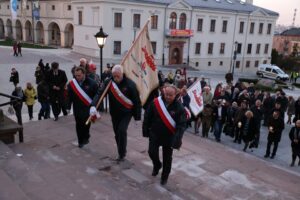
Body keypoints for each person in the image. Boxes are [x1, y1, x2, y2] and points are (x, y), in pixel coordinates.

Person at [92, 64, 141, 161]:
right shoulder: (109, 82)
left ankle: (121, 153)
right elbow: (100, 93)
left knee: (122, 131)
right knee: (117, 133)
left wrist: (137, 118)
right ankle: (121, 149)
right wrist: (93, 105)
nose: (116, 78)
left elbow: (136, 101)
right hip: (114, 112)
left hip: (126, 113)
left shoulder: (130, 84)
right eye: (114, 76)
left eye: (118, 76)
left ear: (122, 74)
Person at [143, 85, 186, 185]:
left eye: (170, 95)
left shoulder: (179, 107)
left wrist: (177, 140)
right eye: (166, 94)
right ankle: (157, 165)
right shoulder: (156, 102)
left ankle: (164, 177)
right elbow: (147, 116)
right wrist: (145, 130)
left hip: (169, 136)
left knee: (167, 159)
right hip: (155, 133)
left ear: (175, 95)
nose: (167, 97)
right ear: (163, 92)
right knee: (151, 152)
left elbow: (181, 125)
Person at [67, 67, 99, 148]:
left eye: (79, 75)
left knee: (86, 125)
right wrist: (68, 107)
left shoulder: (92, 83)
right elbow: (69, 97)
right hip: (77, 108)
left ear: (84, 74)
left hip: (87, 109)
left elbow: (97, 95)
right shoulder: (72, 84)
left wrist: (94, 106)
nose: (77, 77)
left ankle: (86, 136)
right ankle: (80, 141)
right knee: (78, 125)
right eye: (76, 75)